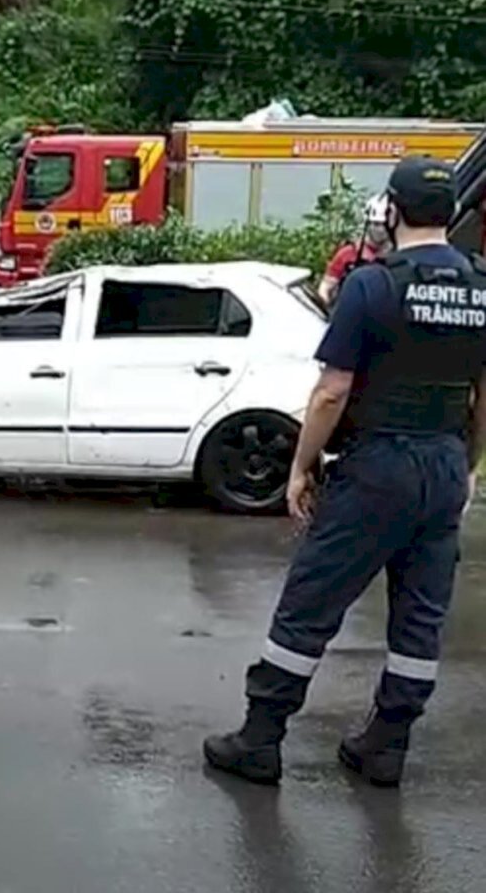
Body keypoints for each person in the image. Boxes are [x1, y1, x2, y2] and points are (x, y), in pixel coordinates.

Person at [204, 156, 486, 789]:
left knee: (312, 600)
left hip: (378, 463)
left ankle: (261, 738)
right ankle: (386, 747)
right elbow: (483, 392)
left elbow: (332, 391)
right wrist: (467, 465)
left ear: (392, 210)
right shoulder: (481, 287)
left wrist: (301, 468)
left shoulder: (372, 285)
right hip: (442, 462)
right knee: (420, 617)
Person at [317, 194, 393, 308]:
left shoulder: (398, 255)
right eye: (376, 224)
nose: (381, 230)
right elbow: (326, 287)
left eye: (384, 225)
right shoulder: (347, 254)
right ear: (368, 223)